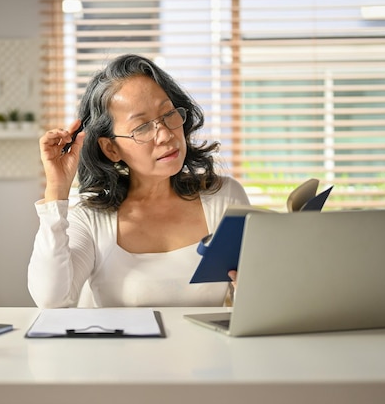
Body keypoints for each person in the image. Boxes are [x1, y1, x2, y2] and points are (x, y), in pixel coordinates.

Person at [28, 54, 249, 308]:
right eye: (142, 127)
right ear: (111, 149)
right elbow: (52, 300)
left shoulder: (224, 198)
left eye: (168, 114)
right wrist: (57, 189)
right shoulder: (89, 219)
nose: (166, 134)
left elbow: (256, 299)